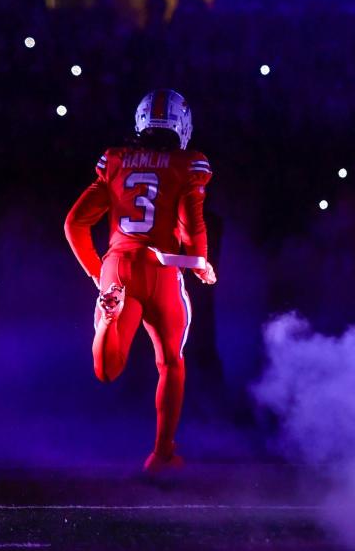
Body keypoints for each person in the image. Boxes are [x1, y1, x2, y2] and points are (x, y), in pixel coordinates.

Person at [64, 89, 217, 473]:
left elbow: (74, 223)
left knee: (108, 369)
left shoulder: (115, 160)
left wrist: (99, 274)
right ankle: (162, 453)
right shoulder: (189, 163)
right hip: (162, 267)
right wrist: (199, 260)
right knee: (171, 363)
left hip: (118, 267)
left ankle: (108, 319)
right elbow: (191, 221)